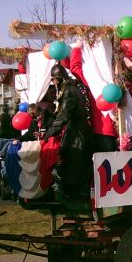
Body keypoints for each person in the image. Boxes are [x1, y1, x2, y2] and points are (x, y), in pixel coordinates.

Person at [44, 64, 94, 199]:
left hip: (77, 134)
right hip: (75, 131)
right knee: (71, 163)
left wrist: (50, 133)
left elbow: (64, 115)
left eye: (53, 79)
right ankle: (72, 193)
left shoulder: (69, 91)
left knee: (74, 164)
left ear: (58, 78)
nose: (53, 82)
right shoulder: (70, 88)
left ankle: (76, 195)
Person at [70, 40, 117, 152]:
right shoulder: (119, 80)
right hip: (123, 128)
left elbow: (75, 68)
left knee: (107, 159)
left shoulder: (94, 80)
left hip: (103, 129)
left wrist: (76, 49)